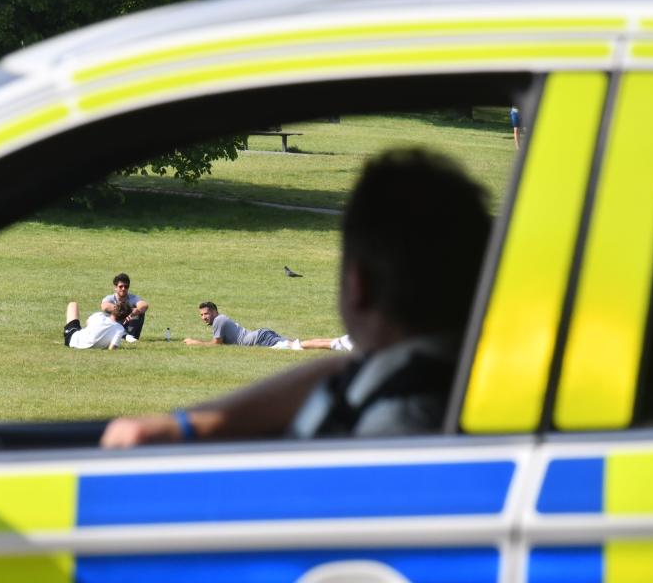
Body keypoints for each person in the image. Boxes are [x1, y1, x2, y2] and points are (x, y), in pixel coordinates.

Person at [101, 148, 491, 447]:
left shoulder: (388, 422)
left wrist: (183, 426)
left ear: (358, 285)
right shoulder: (461, 372)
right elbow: (337, 373)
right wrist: (184, 425)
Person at [184, 302, 295, 349]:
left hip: (260, 339)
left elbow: (216, 344)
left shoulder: (219, 320)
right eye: (201, 315)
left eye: (206, 314)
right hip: (262, 335)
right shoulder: (220, 319)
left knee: (296, 347)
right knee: (296, 345)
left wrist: (195, 342)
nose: (203, 317)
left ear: (214, 312)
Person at [63, 300, 132, 350]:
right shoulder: (120, 329)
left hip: (74, 340)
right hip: (83, 344)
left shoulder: (99, 315)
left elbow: (87, 323)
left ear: (114, 309)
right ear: (125, 317)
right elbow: (112, 347)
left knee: (73, 304)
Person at [101, 273, 149, 343]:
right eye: (121, 286)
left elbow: (144, 305)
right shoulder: (110, 298)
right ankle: (122, 336)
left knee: (140, 312)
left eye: (126, 286)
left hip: (128, 325)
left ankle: (131, 336)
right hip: (114, 327)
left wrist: (135, 311)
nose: (123, 289)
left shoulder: (133, 298)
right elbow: (104, 306)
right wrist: (126, 310)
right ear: (115, 287)